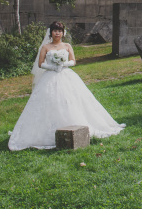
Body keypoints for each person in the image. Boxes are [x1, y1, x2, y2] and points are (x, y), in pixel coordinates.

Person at [8, 21, 124, 150]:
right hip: (50, 76)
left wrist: (64, 64)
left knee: (71, 100)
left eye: (60, 31)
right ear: (51, 32)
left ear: (63, 33)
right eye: (55, 30)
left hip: (65, 74)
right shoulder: (46, 47)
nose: (57, 33)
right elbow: (40, 64)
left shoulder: (67, 45)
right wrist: (52, 66)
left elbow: (73, 61)